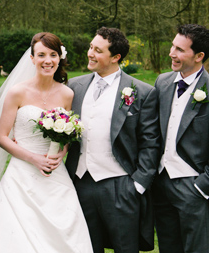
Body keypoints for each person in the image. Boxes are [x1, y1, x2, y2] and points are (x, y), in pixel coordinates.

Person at [0, 32, 92, 252]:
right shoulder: (17, 92)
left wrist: (62, 152)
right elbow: (1, 137)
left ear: (59, 58)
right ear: (32, 58)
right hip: (22, 174)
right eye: (41, 55)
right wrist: (34, 159)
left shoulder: (66, 94)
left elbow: (66, 136)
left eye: (53, 54)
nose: (47, 60)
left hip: (54, 173)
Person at [65, 27, 159, 253]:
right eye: (90, 47)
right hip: (80, 182)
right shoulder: (74, 87)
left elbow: (150, 143)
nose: (90, 53)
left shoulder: (141, 92)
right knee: (85, 247)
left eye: (98, 50)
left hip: (120, 185)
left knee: (125, 247)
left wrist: (137, 185)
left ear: (116, 57)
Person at [153, 24, 209, 253]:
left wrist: (201, 188)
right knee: (168, 247)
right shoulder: (162, 82)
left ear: (199, 56)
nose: (172, 53)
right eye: (173, 46)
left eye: (180, 49)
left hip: (192, 187)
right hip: (161, 182)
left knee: (196, 249)